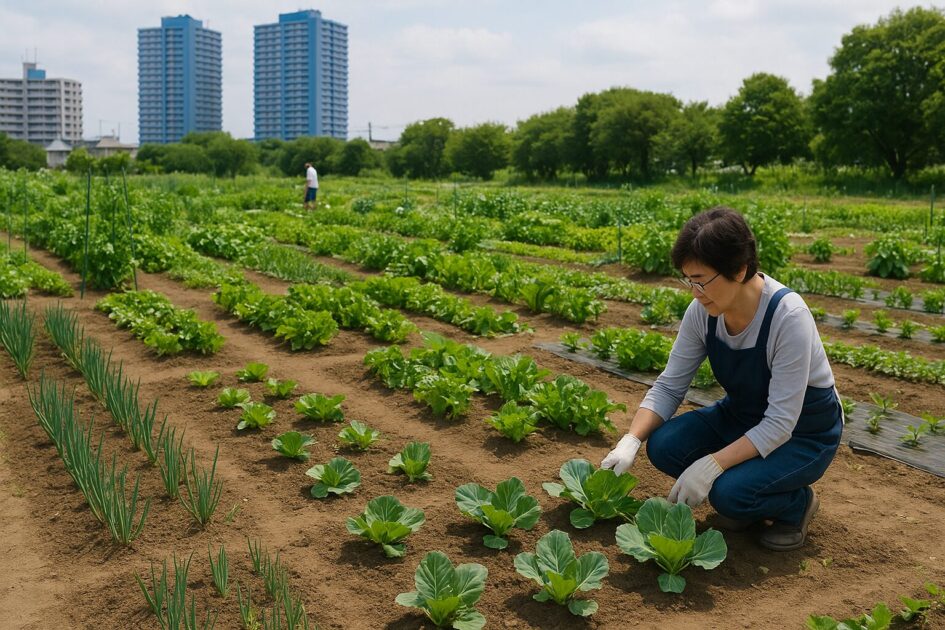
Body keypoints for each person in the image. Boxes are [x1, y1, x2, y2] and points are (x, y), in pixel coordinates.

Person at [601, 207, 842, 551]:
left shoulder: (787, 316)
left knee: (728, 493)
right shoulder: (703, 311)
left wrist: (713, 465)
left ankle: (796, 504)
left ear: (740, 269)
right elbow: (670, 385)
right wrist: (630, 440)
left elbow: (780, 423)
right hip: (743, 416)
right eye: (689, 280)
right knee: (664, 444)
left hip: (803, 433)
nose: (695, 291)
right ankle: (749, 495)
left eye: (701, 280)